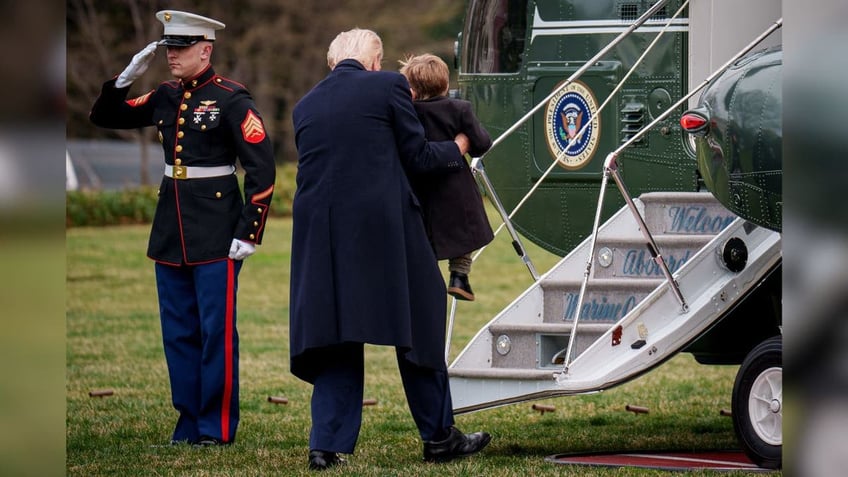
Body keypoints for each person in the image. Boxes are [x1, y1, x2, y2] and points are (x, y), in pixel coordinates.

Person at [290, 28, 492, 470]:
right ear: (375, 60)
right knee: (420, 322)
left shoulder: (305, 104)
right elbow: (416, 156)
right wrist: (458, 148)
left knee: (337, 335)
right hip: (386, 228)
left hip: (320, 236)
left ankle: (326, 446)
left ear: (332, 62)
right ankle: (439, 438)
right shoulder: (389, 87)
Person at [89, 10, 276, 446]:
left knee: (215, 333)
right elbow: (105, 117)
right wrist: (123, 79)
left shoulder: (232, 100)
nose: (171, 55)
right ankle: (188, 422)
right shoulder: (166, 94)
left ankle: (216, 428)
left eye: (181, 47)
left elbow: (262, 169)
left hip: (216, 229)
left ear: (205, 49)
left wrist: (250, 230)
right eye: (168, 47)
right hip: (171, 227)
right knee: (178, 332)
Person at [399, 53, 494, 301]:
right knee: (464, 233)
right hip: (456, 188)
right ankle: (459, 276)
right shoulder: (459, 109)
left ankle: (426, 283)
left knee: (426, 237)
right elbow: (482, 144)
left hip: (420, 188)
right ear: (445, 84)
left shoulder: (406, 112)